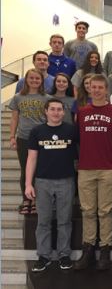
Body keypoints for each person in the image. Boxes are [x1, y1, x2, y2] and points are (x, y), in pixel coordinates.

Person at [74, 75, 112, 271]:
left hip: (108, 167)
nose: (96, 90)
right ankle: (88, 249)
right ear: (89, 89)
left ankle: (105, 249)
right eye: (93, 87)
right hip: (86, 168)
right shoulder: (82, 112)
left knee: (105, 211)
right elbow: (78, 138)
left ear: (106, 90)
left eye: (100, 87)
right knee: (87, 211)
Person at [24, 99, 78, 272]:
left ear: (63, 112)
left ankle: (64, 255)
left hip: (66, 180)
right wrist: (28, 184)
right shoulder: (37, 131)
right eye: (52, 109)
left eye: (59, 109)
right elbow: (31, 158)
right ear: (46, 111)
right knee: (43, 221)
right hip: (42, 182)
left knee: (64, 221)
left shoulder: (71, 130)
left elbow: (82, 152)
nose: (56, 112)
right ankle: (44, 256)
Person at [9, 68, 52, 215]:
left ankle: (36, 199)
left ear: (41, 81)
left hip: (42, 138)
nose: (34, 81)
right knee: (25, 170)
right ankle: (26, 199)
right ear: (26, 80)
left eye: (37, 78)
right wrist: (11, 136)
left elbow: (49, 118)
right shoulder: (18, 97)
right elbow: (14, 118)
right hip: (24, 138)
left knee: (40, 170)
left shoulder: (47, 98)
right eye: (31, 78)